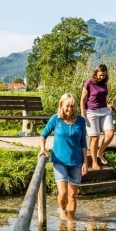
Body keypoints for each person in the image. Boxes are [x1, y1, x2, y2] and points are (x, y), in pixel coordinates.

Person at [39, 92, 88, 220]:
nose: (70, 109)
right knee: (63, 193)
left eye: (72, 106)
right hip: (59, 161)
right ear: (61, 105)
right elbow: (43, 135)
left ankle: (71, 222)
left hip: (76, 161)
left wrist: (85, 162)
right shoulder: (56, 119)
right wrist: (42, 150)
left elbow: (83, 142)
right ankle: (62, 210)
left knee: (72, 195)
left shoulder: (81, 121)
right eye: (67, 106)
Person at [80, 64, 114, 169]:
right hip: (91, 112)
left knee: (110, 134)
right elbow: (83, 99)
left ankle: (100, 152)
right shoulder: (89, 82)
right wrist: (83, 113)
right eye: (100, 75)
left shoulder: (104, 83)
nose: (101, 77)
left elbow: (102, 97)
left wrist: (107, 104)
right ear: (95, 74)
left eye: (103, 75)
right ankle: (94, 161)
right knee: (95, 137)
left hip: (104, 110)